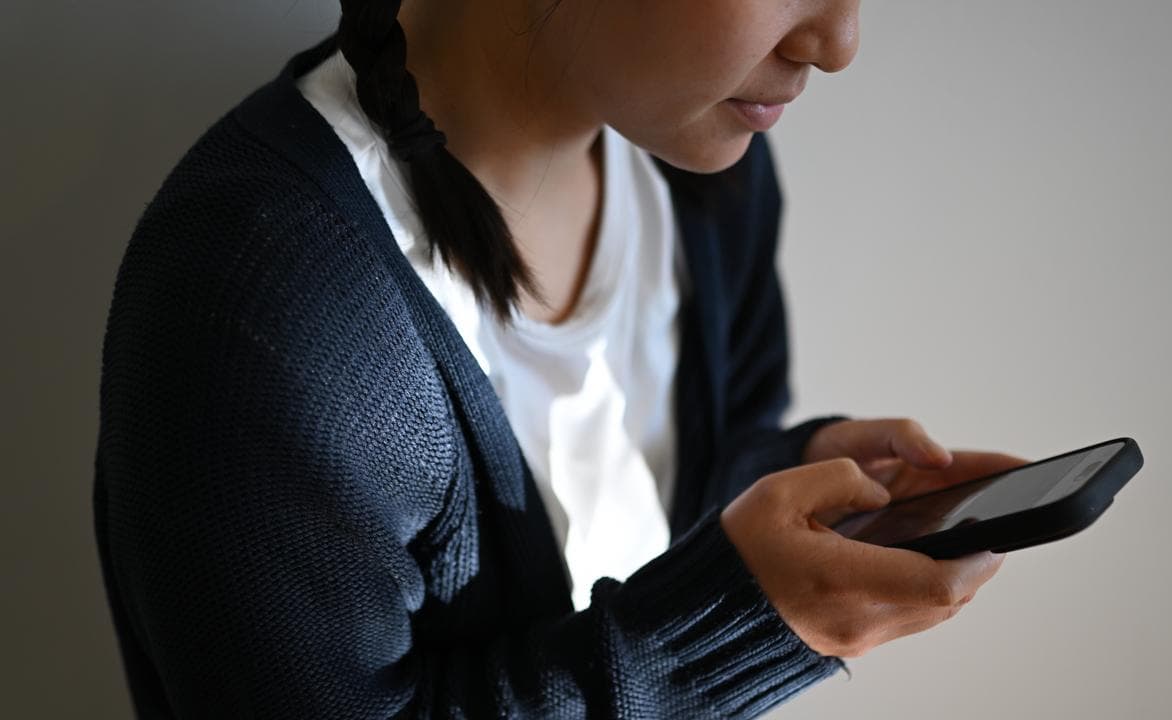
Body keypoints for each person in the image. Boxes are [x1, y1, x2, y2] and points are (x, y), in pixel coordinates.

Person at [93, 0, 1028, 717]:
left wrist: (786, 481)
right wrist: (745, 623)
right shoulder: (264, 296)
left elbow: (663, 497)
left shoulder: (703, 182)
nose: (837, 40)